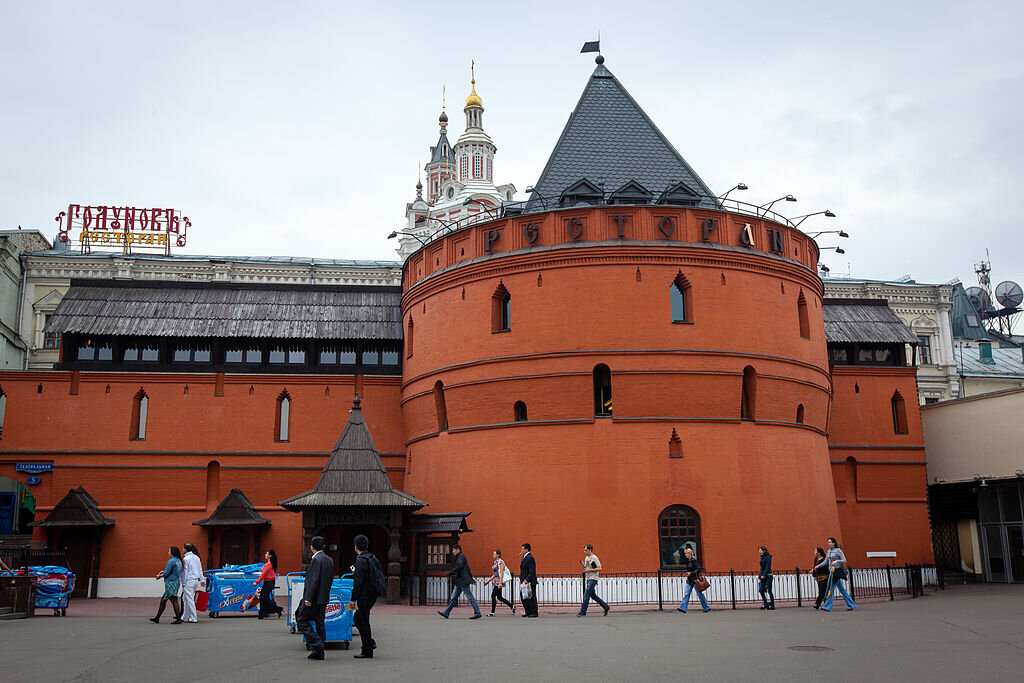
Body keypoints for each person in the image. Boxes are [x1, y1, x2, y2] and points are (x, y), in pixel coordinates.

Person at [296, 535, 334, 660]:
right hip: (324, 597)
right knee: (319, 622)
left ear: (311, 547)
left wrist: (308, 598)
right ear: (323, 546)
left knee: (301, 619)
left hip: (314, 598)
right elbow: (329, 580)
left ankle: (317, 644)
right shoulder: (329, 559)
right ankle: (320, 649)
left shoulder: (316, 560)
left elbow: (313, 580)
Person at [351, 534, 382, 659]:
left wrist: (353, 598)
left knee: (362, 620)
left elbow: (358, 581)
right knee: (360, 618)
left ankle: (367, 649)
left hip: (364, 595)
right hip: (372, 594)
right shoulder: (372, 558)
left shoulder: (360, 560)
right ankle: (369, 642)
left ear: (355, 546)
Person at [437, 544, 482, 619]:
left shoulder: (460, 557)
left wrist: (450, 572)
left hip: (462, 580)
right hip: (460, 580)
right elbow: (467, 568)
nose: (453, 552)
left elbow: (459, 566)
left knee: (469, 596)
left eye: (454, 550)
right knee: (454, 597)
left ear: (458, 550)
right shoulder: (461, 557)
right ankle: (446, 612)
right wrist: (471, 578)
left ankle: (477, 612)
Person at [816, 537, 856, 611]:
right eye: (828, 542)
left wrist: (837, 561)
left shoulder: (838, 550)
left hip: (836, 572)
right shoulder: (828, 551)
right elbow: (826, 561)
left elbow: (844, 560)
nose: (829, 544)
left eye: (830, 542)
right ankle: (851, 604)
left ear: (834, 543)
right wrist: (818, 566)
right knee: (842, 590)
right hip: (831, 572)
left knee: (830, 589)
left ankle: (827, 606)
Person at [150, 546, 183, 624]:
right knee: (163, 600)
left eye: (169, 551)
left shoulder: (171, 561)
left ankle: (178, 619)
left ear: (172, 552)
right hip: (176, 582)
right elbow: (172, 571)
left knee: (173, 600)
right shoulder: (178, 561)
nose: (168, 553)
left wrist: (159, 576)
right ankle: (157, 618)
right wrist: (164, 572)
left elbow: (167, 573)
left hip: (170, 583)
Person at [577, 543, 610, 617]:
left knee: (586, 594)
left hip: (593, 578)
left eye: (586, 550)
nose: (584, 552)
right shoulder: (586, 558)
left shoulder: (594, 558)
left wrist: (589, 570)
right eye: (584, 550)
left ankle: (583, 611)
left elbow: (599, 568)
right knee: (593, 595)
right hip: (588, 578)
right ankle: (606, 607)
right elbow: (587, 568)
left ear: (590, 550)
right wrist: (584, 566)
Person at [676, 547, 710, 613]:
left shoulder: (693, 561)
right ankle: (683, 608)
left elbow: (699, 569)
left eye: (686, 553)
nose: (685, 555)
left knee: (699, 594)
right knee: (686, 594)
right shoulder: (689, 561)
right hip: (690, 580)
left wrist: (690, 573)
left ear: (689, 554)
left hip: (695, 580)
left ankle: (706, 607)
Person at [483, 549, 515, 617]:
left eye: (494, 554)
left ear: (498, 555)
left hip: (498, 582)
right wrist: (488, 581)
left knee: (493, 596)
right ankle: (511, 606)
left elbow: (501, 572)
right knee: (499, 597)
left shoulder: (501, 562)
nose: (493, 555)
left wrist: (500, 583)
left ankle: (492, 612)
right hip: (496, 581)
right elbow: (495, 574)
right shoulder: (495, 562)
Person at [254, 549, 283, 619]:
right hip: (269, 582)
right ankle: (265, 613)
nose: (265, 555)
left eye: (267, 554)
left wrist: (257, 582)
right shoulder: (270, 564)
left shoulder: (268, 565)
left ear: (270, 556)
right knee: (264, 598)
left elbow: (263, 575)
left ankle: (276, 609)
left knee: (264, 598)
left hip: (268, 582)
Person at [180, 542, 204, 623]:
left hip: (189, 580)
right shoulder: (196, 557)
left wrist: (183, 582)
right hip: (195, 580)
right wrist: (202, 579)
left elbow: (185, 572)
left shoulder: (186, 559)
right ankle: (185, 616)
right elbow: (200, 569)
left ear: (185, 549)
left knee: (189, 599)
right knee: (186, 599)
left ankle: (193, 617)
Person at [519, 543, 538, 618]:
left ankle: (534, 611)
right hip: (524, 581)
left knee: (531, 596)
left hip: (529, 581)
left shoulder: (530, 558)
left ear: (526, 549)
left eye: (522, 549)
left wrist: (527, 579)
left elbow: (532, 571)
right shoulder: (524, 557)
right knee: (524, 596)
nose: (521, 550)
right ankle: (528, 611)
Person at [758, 545, 775, 610]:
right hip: (763, 576)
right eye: (758, 550)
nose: (759, 552)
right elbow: (762, 568)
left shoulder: (768, 557)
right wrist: (760, 575)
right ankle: (766, 603)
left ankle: (772, 605)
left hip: (768, 576)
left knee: (769, 591)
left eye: (760, 550)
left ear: (764, 551)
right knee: (760, 590)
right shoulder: (762, 558)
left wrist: (764, 575)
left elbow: (768, 567)